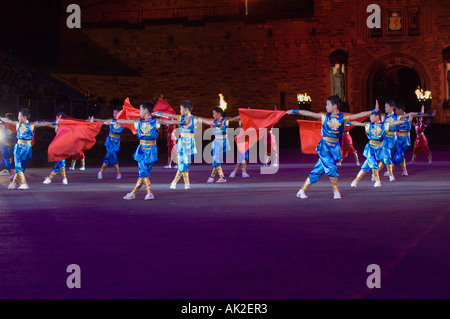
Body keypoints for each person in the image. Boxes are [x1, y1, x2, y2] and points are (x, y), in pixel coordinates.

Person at [287, 95, 378, 199]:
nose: (326, 106)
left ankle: (301, 191)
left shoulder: (343, 117)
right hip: (324, 146)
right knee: (332, 167)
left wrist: (373, 111)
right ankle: (336, 192)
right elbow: (309, 113)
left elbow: (358, 115)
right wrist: (294, 111)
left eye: (328, 104)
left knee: (317, 171)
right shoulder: (325, 116)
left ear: (334, 106)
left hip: (334, 146)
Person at [108, 101, 177, 200]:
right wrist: (118, 120)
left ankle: (135, 193)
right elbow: (127, 122)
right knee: (143, 172)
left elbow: (172, 121)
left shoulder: (156, 122)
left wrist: (181, 121)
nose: (139, 111)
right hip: (141, 150)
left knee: (143, 173)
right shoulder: (139, 122)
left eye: (140, 109)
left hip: (151, 150)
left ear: (146, 110)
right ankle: (145, 193)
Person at [350, 111, 410, 188]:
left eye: (372, 116)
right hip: (371, 148)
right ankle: (375, 181)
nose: (370, 117)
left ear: (377, 117)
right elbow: (359, 124)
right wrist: (348, 122)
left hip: (380, 148)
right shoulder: (369, 125)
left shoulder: (384, 125)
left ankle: (356, 181)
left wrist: (406, 121)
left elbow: (394, 123)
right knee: (370, 164)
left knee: (385, 160)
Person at [1, 108, 54, 189]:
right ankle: (21, 184)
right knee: (18, 166)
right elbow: (8, 121)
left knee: (21, 167)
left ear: (24, 117)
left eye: (19, 116)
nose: (18, 117)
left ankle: (15, 184)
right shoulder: (18, 124)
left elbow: (45, 124)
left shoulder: (32, 125)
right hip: (18, 147)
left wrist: (56, 123)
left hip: (27, 148)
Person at [154, 101, 198, 190]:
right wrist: (159, 113)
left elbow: (185, 122)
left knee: (186, 164)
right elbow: (170, 116)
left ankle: (174, 182)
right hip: (182, 143)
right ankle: (186, 184)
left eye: (181, 109)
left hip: (190, 142)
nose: (180, 110)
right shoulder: (180, 117)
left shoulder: (194, 119)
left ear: (186, 109)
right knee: (183, 164)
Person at [197, 107, 240, 183]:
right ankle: (211, 177)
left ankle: (222, 178)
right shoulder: (224, 120)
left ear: (219, 113)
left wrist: (197, 118)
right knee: (217, 161)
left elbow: (209, 122)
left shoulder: (219, 122)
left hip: (220, 143)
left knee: (217, 161)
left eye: (214, 113)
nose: (213, 115)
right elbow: (234, 118)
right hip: (223, 142)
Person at [96, 108, 124, 180]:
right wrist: (94, 119)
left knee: (108, 158)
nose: (114, 114)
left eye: (115, 113)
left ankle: (100, 172)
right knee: (113, 156)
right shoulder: (111, 121)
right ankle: (118, 173)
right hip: (110, 141)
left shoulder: (123, 122)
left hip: (117, 141)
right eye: (113, 113)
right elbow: (102, 121)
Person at [43, 112, 69, 185]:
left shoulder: (65, 125)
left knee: (61, 161)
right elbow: (53, 125)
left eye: (57, 118)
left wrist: (59, 120)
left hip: (63, 145)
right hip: (58, 144)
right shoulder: (57, 125)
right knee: (59, 162)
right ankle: (50, 178)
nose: (56, 119)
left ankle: (62, 179)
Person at [0, 113, 17, 180]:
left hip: (12, 146)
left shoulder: (15, 126)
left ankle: (13, 173)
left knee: (5, 160)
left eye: (6, 118)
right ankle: (12, 174)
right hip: (4, 145)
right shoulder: (5, 126)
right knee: (6, 159)